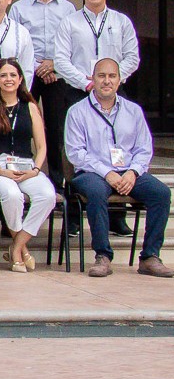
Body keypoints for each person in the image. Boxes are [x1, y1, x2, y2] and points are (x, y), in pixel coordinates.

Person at [54, 0, 142, 241]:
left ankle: (118, 218)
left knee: (118, 148)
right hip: (79, 92)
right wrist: (88, 83)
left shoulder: (121, 21)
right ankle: (73, 219)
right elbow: (61, 60)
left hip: (114, 92)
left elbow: (132, 56)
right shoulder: (69, 22)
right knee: (73, 154)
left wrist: (111, 80)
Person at [64, 58, 171, 278]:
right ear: (92, 79)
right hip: (91, 173)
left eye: (112, 76)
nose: (107, 81)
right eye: (101, 76)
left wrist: (133, 172)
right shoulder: (77, 112)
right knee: (95, 192)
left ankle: (150, 257)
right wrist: (107, 173)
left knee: (161, 193)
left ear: (119, 80)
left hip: (128, 172)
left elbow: (144, 149)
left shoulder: (134, 111)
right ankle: (103, 256)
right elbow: (76, 153)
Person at [0, 58, 58, 273]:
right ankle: (21, 250)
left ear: (21, 79)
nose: (9, 79)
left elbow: (41, 147)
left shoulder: (30, 106)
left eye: (13, 75)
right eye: (4, 75)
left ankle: (18, 246)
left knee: (47, 195)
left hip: (26, 166)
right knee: (12, 195)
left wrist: (36, 170)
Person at [9, 0, 76, 181]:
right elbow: (14, 43)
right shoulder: (18, 8)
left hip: (57, 75)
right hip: (28, 74)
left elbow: (72, 43)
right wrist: (38, 67)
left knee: (56, 130)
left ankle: (57, 181)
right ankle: (22, 174)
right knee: (21, 124)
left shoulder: (68, 9)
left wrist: (53, 65)